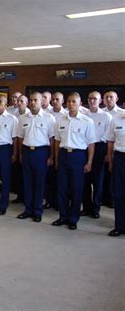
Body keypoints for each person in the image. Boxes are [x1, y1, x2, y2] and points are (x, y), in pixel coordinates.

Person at [53, 92, 95, 230]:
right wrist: (57, 159)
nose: (71, 104)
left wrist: (89, 162)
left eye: (74, 102)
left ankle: (73, 218)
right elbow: (57, 140)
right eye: (69, 101)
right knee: (62, 188)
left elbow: (91, 144)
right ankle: (63, 216)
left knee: (76, 189)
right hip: (64, 154)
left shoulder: (87, 121)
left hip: (78, 156)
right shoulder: (60, 120)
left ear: (80, 104)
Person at [16, 92, 55, 222]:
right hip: (27, 151)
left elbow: (52, 139)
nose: (33, 103)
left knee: (39, 183)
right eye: (31, 100)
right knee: (27, 182)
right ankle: (28, 210)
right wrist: (21, 153)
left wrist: (51, 156)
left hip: (41, 152)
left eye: (35, 100)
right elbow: (20, 138)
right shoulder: (23, 118)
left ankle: (37, 211)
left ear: (41, 101)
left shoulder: (49, 118)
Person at [81, 92, 111, 219]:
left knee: (98, 182)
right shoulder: (83, 115)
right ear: (88, 100)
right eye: (90, 98)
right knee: (85, 181)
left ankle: (96, 208)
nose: (92, 101)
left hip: (99, 148)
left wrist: (106, 154)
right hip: (85, 148)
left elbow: (109, 135)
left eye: (95, 99)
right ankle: (86, 207)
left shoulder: (106, 116)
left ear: (100, 101)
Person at [105, 108, 125, 236]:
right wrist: (111, 161)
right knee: (119, 193)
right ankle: (120, 225)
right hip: (120, 158)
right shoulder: (116, 119)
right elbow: (110, 141)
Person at [102, 91, 123, 208]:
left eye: (111, 97)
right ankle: (104, 198)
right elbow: (109, 139)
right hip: (106, 148)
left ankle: (111, 199)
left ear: (117, 99)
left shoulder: (120, 113)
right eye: (107, 97)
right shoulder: (103, 113)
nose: (109, 99)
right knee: (105, 176)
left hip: (117, 149)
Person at [10, 95, 29, 204]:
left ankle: (27, 197)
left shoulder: (29, 115)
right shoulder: (14, 114)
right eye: (18, 101)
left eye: (22, 101)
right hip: (16, 145)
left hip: (26, 148)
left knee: (25, 174)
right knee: (17, 173)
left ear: (26, 103)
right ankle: (20, 195)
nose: (19, 102)